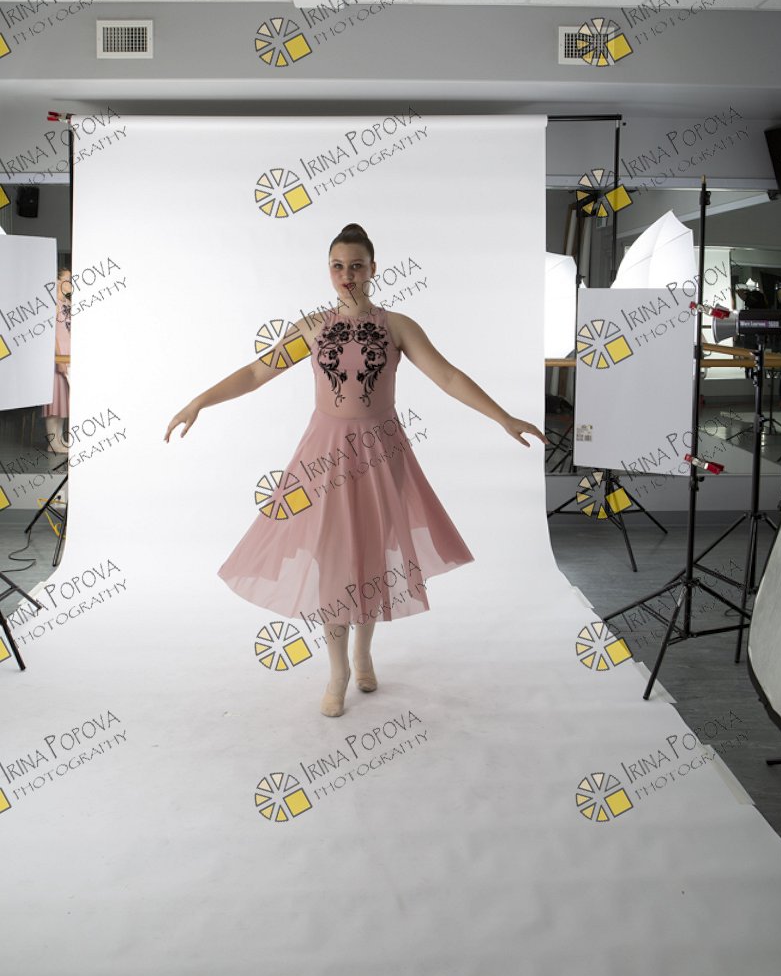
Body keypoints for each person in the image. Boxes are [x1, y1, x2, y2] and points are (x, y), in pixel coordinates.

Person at [165, 223, 547, 717]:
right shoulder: (312, 327)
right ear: (329, 270)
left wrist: (503, 417)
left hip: (381, 453)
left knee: (370, 551)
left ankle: (363, 654)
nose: (347, 274)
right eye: (338, 266)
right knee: (331, 556)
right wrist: (199, 401)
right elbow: (258, 372)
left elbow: (448, 376)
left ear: (373, 269)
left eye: (357, 266)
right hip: (324, 454)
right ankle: (337, 670)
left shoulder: (398, 326)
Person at [41, 266, 72, 454]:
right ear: (58, 281)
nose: (72, 283)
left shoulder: (66, 304)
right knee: (54, 402)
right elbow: (51, 335)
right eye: (68, 279)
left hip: (68, 358)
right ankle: (52, 443)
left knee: (63, 402)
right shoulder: (52, 304)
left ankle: (59, 440)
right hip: (56, 358)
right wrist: (58, 359)